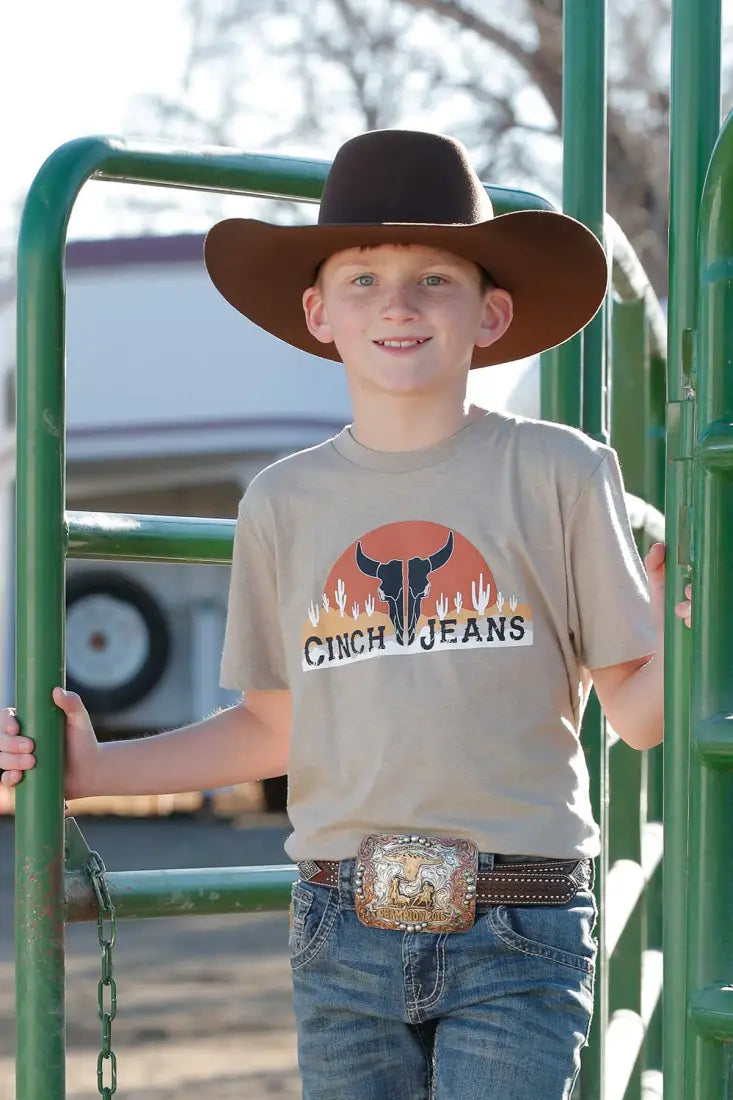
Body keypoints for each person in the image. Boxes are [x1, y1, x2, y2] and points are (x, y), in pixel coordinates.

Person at [1, 130, 692, 1099]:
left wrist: (689, 626)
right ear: (318, 312)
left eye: (434, 278)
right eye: (363, 279)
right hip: (341, 920)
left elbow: (637, 716)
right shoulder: (283, 502)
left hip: (519, 913)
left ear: (490, 311)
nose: (398, 304)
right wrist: (99, 769)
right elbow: (272, 725)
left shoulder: (560, 471)